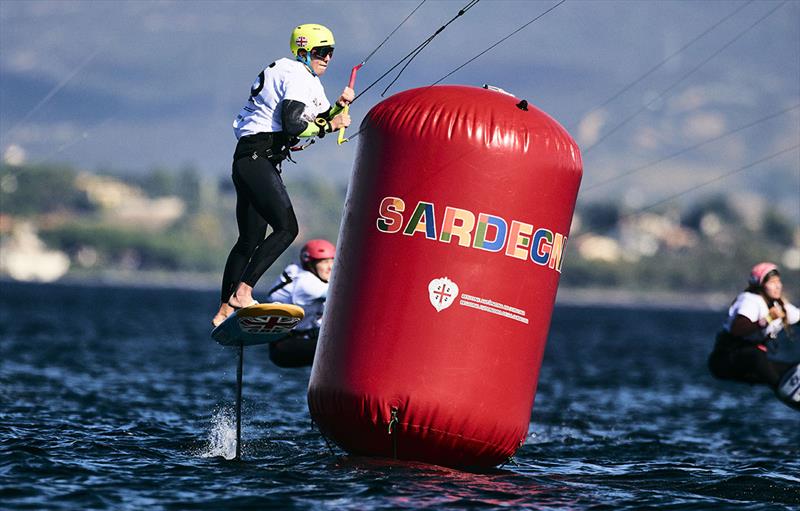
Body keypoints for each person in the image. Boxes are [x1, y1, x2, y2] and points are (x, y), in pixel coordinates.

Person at [212, 24, 353, 327]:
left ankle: (223, 310)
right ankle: (243, 292)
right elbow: (293, 124)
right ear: (303, 51)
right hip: (258, 158)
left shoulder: (302, 77)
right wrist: (330, 125)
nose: (327, 58)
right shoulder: (297, 75)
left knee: (249, 241)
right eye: (321, 51)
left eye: (330, 52)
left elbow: (312, 119)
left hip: (249, 159)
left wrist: (336, 111)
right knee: (287, 229)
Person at [708, 262, 800, 408]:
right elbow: (738, 328)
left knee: (794, 371)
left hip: (753, 363)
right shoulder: (749, 300)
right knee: (756, 355)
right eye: (772, 282)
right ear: (761, 285)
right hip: (726, 360)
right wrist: (768, 319)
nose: (778, 286)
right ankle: (788, 393)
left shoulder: (780, 307)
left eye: (779, 282)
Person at [266, 239, 335, 368]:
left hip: (306, 339)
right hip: (284, 347)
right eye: (325, 262)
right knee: (339, 348)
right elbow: (343, 293)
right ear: (311, 264)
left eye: (332, 261)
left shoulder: (319, 279)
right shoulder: (305, 282)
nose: (330, 267)